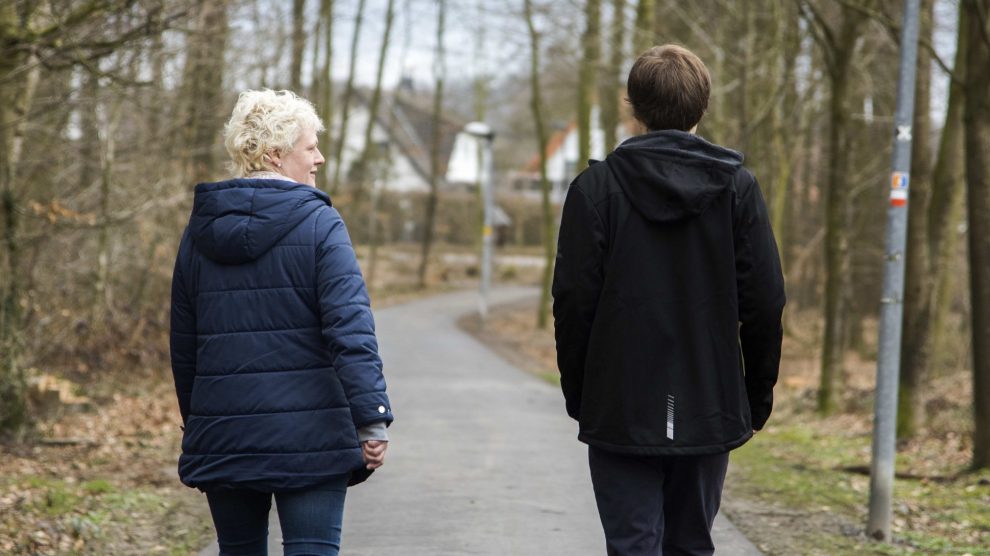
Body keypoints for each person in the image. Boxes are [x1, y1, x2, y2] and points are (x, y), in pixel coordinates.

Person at [552, 45, 785, 556]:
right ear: (702, 109)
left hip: (620, 404)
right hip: (710, 401)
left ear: (629, 106)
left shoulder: (594, 190)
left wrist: (581, 392)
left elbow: (572, 302)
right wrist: (754, 397)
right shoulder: (738, 189)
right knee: (692, 545)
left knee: (632, 545)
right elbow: (765, 302)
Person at [169, 89, 392, 556]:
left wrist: (202, 422)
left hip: (224, 433)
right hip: (311, 441)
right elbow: (350, 330)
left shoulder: (200, 232)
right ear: (275, 153)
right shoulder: (320, 224)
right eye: (310, 147)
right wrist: (371, 421)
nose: (320, 158)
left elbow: (184, 345)